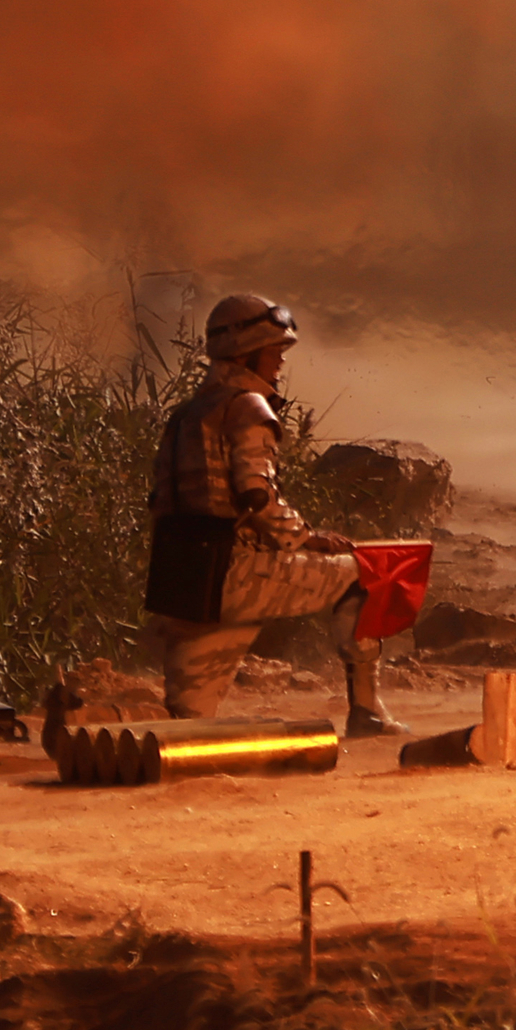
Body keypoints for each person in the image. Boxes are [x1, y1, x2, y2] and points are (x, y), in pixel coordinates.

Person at [144, 295, 402, 732]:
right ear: (247, 353)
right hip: (235, 573)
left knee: (185, 725)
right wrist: (305, 539)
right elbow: (256, 494)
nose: (280, 362)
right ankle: (368, 712)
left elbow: (163, 503)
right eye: (274, 352)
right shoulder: (247, 406)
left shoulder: (185, 415)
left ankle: (92, 723)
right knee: (363, 573)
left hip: (184, 581)